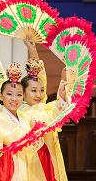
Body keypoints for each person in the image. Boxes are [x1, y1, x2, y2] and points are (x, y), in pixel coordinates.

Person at [0, 63, 44, 181]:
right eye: (9, 94)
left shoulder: (24, 117)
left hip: (27, 166)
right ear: (1, 97)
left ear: (23, 97)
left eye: (18, 95)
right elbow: (17, 141)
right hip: (9, 168)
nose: (14, 99)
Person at [20, 38, 68, 181]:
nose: (39, 94)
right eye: (33, 91)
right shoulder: (19, 112)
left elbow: (61, 105)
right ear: (23, 93)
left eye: (41, 90)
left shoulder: (48, 109)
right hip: (27, 160)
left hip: (48, 159)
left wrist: (64, 80)